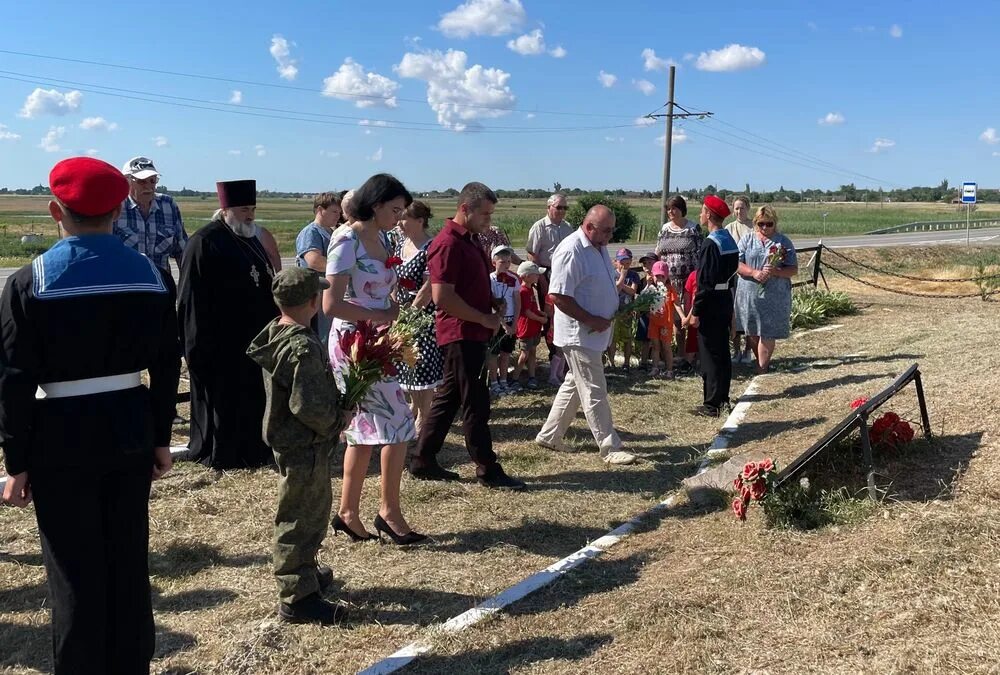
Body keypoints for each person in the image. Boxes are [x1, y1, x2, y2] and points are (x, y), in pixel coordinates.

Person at [1, 157, 180, 674]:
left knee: (73, 571)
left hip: (60, 435)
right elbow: (168, 362)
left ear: (57, 210)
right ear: (117, 211)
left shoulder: (30, 280)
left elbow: (12, 380)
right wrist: (161, 437)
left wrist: (17, 461)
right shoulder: (148, 274)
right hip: (129, 425)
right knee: (127, 559)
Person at [325, 173, 427, 545]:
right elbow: (331, 303)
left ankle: (349, 513)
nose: (400, 218)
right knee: (398, 424)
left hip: (380, 338)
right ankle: (388, 512)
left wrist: (392, 312)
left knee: (365, 432)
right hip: (354, 342)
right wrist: (382, 315)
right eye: (396, 209)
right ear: (377, 204)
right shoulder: (346, 239)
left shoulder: (382, 237)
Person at [247, 267, 350, 625]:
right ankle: (297, 596)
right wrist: (338, 419)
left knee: (310, 512)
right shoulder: (302, 346)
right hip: (304, 444)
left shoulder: (278, 331)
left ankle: (305, 575)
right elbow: (307, 405)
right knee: (300, 518)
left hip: (295, 442)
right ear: (311, 301)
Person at [407, 182, 526, 490]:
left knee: (449, 398)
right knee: (475, 400)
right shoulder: (448, 243)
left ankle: (423, 458)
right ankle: (487, 467)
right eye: (484, 214)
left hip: (473, 330)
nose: (489, 220)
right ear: (465, 209)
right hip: (461, 334)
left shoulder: (472, 240)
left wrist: (491, 302)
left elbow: (469, 286)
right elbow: (443, 297)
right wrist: (483, 316)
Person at [178, 179, 279, 469]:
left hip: (251, 339)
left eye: (253, 209)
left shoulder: (249, 238)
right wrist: (195, 346)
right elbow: (191, 300)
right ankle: (223, 454)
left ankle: (252, 450)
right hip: (220, 339)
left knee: (251, 398)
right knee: (224, 400)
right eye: (244, 209)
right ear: (226, 208)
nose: (250, 215)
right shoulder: (204, 241)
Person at [534, 206, 636, 466]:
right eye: (606, 230)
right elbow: (558, 295)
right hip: (579, 334)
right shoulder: (571, 250)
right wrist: (591, 319)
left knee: (575, 384)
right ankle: (609, 446)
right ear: (589, 226)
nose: (609, 236)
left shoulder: (598, 246)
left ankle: (549, 435)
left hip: (593, 333)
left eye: (611, 230)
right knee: (593, 388)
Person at [393, 200, 443, 435]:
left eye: (405, 218)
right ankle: (414, 406)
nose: (400, 223)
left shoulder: (431, 247)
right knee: (405, 364)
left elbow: (428, 286)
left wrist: (411, 314)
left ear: (420, 221)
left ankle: (424, 415)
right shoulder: (401, 245)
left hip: (421, 316)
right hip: (401, 311)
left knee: (420, 364)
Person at [687, 196, 739, 417]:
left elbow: (704, 282)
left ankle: (711, 404)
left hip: (710, 303)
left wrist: (696, 311)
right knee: (722, 353)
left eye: (702, 211)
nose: (700, 214)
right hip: (725, 298)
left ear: (708, 214)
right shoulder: (729, 239)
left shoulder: (711, 243)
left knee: (709, 355)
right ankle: (723, 397)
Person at [735, 205, 799, 374]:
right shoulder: (747, 240)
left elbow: (793, 269)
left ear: (774, 223)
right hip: (749, 292)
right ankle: (760, 361)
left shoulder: (783, 242)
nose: (764, 227)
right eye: (761, 223)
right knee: (752, 330)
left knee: (768, 331)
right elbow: (736, 263)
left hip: (774, 295)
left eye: (768, 224)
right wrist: (754, 272)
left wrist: (776, 272)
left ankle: (761, 367)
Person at [114, 156, 188, 280]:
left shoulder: (168, 205)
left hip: (161, 287)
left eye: (152, 181)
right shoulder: (116, 207)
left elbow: (182, 251)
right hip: (125, 287)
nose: (148, 187)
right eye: (142, 181)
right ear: (126, 182)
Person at [655, 195, 702, 373]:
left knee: (690, 318)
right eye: (668, 209)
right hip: (670, 282)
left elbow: (700, 253)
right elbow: (658, 252)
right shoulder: (665, 229)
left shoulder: (693, 229)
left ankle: (693, 356)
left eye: (674, 208)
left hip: (688, 282)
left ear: (682, 209)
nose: (671, 212)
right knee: (675, 319)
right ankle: (680, 355)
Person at [295, 192, 343, 346]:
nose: (338, 216)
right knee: (320, 337)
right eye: (334, 211)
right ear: (320, 210)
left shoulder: (331, 231)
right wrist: (344, 268)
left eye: (340, 212)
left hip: (329, 292)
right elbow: (314, 261)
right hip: (316, 293)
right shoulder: (311, 232)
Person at [488, 244, 521, 396]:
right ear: (494, 262)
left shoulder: (514, 279)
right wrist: (502, 323)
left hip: (510, 320)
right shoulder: (490, 279)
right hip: (496, 322)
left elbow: (517, 302)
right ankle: (493, 382)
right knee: (493, 353)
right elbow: (491, 302)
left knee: (506, 353)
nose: (506, 265)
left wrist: (513, 324)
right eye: (502, 262)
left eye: (508, 261)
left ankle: (503, 380)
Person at [726, 196, 755, 364]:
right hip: (733, 277)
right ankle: (736, 350)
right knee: (734, 313)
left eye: (742, 208)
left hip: (750, 276)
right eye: (736, 208)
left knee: (749, 313)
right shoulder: (729, 228)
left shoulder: (754, 227)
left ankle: (748, 350)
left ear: (748, 208)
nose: (739, 211)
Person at [510, 261, 547, 389]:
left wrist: (541, 313)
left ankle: (532, 377)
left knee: (532, 352)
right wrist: (540, 319)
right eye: (535, 274)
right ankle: (515, 378)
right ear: (526, 276)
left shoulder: (530, 289)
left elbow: (533, 308)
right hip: (525, 328)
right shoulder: (523, 291)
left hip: (533, 327)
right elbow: (526, 312)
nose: (538, 276)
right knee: (524, 354)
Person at [647, 261, 684, 378]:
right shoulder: (651, 290)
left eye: (662, 276)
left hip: (666, 323)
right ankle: (655, 368)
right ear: (652, 276)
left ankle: (669, 370)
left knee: (666, 347)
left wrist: (683, 317)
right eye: (656, 276)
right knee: (655, 346)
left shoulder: (670, 289)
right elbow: (643, 301)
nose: (659, 279)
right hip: (654, 323)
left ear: (666, 276)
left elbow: (677, 304)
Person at [607, 247, 640, 373]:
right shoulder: (611, 273)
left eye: (627, 263)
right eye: (622, 263)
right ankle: (611, 362)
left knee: (627, 338)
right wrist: (621, 280)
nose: (624, 266)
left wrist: (622, 281)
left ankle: (626, 363)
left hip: (627, 310)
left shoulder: (633, 275)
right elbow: (613, 290)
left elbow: (632, 291)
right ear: (616, 262)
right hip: (613, 310)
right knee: (613, 338)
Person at [634, 252, 656, 369]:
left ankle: (655, 362)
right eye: (644, 264)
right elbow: (638, 298)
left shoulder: (660, 280)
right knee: (645, 340)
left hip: (657, 315)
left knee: (656, 340)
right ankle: (643, 362)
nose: (647, 266)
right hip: (644, 314)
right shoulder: (642, 281)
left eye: (650, 263)